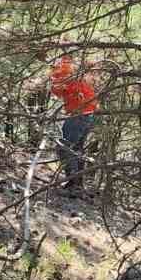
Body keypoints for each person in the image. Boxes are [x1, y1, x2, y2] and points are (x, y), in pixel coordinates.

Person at [48, 55, 99, 194]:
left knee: (64, 147)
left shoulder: (65, 69)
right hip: (87, 113)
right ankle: (76, 183)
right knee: (76, 148)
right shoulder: (74, 68)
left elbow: (57, 89)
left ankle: (74, 182)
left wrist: (53, 79)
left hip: (80, 113)